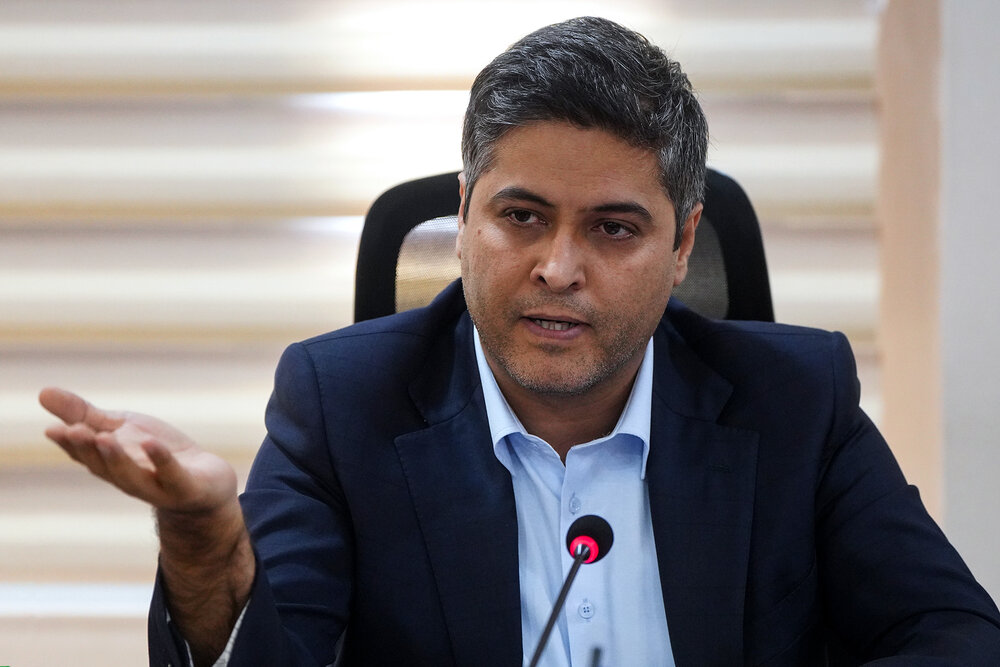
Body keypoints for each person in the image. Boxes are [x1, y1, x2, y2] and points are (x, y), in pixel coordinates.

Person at [40, 16, 1000, 667]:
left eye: (613, 228)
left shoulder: (796, 397)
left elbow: (956, 633)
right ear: (464, 218)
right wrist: (204, 535)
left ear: (682, 246)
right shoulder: (340, 402)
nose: (558, 267)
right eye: (522, 216)